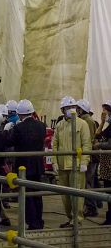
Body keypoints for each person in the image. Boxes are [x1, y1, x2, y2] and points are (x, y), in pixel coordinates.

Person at [52, 96, 91, 228]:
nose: (71, 110)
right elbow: (55, 145)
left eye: (73, 107)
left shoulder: (82, 124)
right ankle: (70, 218)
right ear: (62, 110)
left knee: (77, 196)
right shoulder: (59, 125)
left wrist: (85, 161)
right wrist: (54, 162)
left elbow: (86, 144)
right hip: (63, 166)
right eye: (68, 108)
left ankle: (77, 219)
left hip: (77, 166)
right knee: (65, 196)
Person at [12, 99, 46, 230]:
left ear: (20, 114)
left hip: (23, 167)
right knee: (37, 194)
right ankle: (39, 220)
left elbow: (9, 141)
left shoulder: (18, 127)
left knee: (27, 195)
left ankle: (32, 222)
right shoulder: (41, 126)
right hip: (37, 165)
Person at [76, 99, 99, 218]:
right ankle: (92, 205)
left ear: (81, 109)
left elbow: (88, 140)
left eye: (78, 108)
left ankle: (91, 207)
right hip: (88, 156)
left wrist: (86, 156)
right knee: (87, 182)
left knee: (87, 183)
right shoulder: (85, 120)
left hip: (89, 156)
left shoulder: (87, 121)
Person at [94, 100, 111, 225]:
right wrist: (102, 122)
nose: (103, 113)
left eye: (106, 110)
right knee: (107, 190)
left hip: (110, 165)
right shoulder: (108, 126)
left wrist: (99, 145)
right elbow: (98, 134)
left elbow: (109, 144)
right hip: (106, 164)